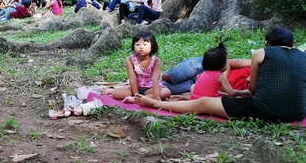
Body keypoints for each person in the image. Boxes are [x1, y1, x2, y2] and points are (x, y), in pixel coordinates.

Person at [136, 27, 306, 123]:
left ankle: (152, 102)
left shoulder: (262, 53)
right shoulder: (303, 56)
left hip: (264, 109)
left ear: (267, 44)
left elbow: (253, 88)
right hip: (297, 113)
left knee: (202, 103)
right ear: (293, 44)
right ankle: (154, 87)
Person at [112, 31, 171, 103]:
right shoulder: (130, 60)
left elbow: (155, 79)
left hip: (150, 88)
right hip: (135, 87)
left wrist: (156, 97)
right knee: (116, 93)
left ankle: (139, 99)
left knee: (166, 92)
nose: (141, 47)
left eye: (145, 44)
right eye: (137, 44)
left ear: (152, 47)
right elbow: (132, 79)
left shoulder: (156, 61)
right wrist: (136, 95)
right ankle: (139, 98)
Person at [162, 58, 251, 95]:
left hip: (205, 85)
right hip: (210, 66)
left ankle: (152, 79)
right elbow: (227, 62)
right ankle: (159, 74)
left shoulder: (257, 89)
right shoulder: (255, 64)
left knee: (165, 88)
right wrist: (221, 78)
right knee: (170, 76)